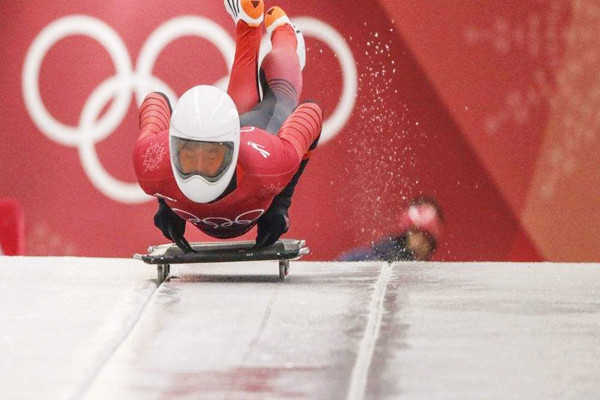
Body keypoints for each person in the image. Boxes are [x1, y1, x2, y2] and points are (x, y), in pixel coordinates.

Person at [133, 1, 322, 252]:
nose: (199, 170)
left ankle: (286, 38)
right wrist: (165, 202)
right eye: (188, 155)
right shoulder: (152, 161)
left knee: (283, 98)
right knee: (244, 105)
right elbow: (154, 101)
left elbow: (311, 111)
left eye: (211, 156)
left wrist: (280, 203)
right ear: (172, 148)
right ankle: (249, 27)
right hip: (238, 143)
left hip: (257, 135)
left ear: (231, 151)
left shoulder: (268, 159)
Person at [338, 197, 444, 262]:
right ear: (406, 234)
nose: (420, 242)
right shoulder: (366, 258)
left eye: (426, 237)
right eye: (415, 232)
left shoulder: (425, 279)